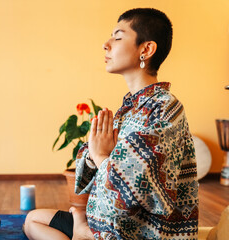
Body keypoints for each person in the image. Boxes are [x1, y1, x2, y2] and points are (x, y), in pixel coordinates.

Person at [24, 8, 199, 240]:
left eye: (117, 37)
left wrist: (100, 157)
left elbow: (139, 190)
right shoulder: (130, 107)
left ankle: (81, 234)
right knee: (32, 220)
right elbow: (94, 163)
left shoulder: (165, 108)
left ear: (146, 49)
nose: (106, 44)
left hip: (141, 232)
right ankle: (82, 232)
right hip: (107, 221)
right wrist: (94, 151)